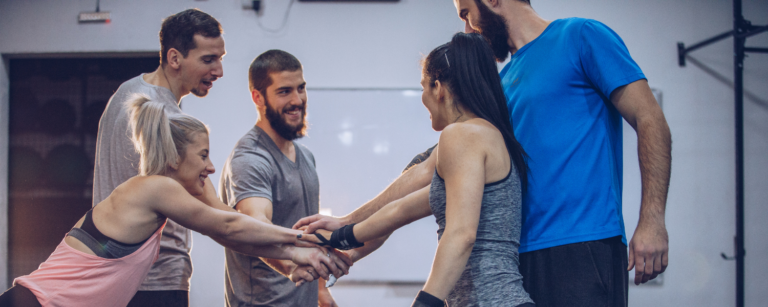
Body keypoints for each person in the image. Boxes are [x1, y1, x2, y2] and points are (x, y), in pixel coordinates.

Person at [297, 1, 672, 306]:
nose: (466, 29)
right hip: (516, 260)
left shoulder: (580, 36)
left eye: (465, 14)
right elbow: (425, 172)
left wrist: (652, 219)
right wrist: (347, 223)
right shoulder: (498, 84)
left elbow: (650, 117)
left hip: (580, 247)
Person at [0, 95, 338, 307]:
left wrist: (294, 256)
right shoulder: (155, 188)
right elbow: (230, 223)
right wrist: (304, 239)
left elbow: (230, 232)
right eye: (203, 155)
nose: (210, 166)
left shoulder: (158, 191)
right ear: (175, 158)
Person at [298, 33, 535, 307]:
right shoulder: (486, 135)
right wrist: (338, 236)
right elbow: (400, 211)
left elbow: (461, 234)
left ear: (439, 88)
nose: (422, 96)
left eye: (423, 87)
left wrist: (425, 302)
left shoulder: (461, 135)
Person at [91, 9, 224, 306]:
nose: (219, 71)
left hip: (114, 275)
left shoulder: (129, 94)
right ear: (175, 58)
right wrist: (294, 247)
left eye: (220, 59)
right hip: (156, 280)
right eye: (208, 60)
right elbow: (217, 213)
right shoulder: (166, 119)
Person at [219, 50, 349, 307]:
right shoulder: (250, 158)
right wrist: (290, 264)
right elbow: (254, 227)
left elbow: (309, 229)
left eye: (301, 88)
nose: (297, 100)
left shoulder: (305, 156)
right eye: (284, 91)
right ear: (258, 97)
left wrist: (321, 291)